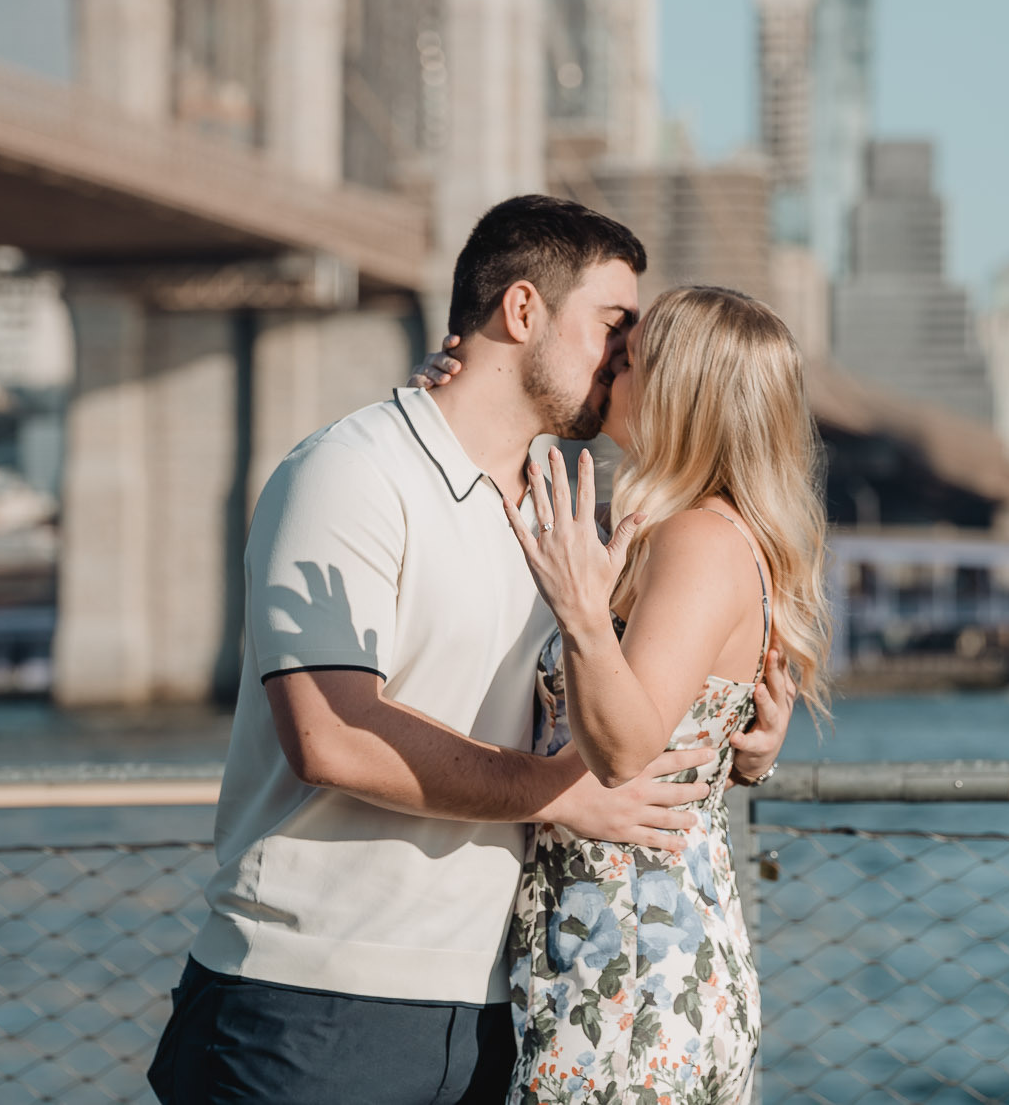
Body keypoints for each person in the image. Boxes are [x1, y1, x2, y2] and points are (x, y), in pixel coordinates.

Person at [148, 196, 790, 1105]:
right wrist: (565, 794)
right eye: (614, 325)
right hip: (316, 1001)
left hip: (502, 1005)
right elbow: (334, 735)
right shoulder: (353, 471)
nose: (625, 356)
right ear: (523, 311)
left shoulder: (561, 507)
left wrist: (744, 742)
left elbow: (653, 684)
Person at [418, 285, 831, 1104]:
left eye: (631, 360)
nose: (608, 367)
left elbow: (625, 747)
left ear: (683, 396)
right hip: (626, 953)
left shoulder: (700, 540)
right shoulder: (677, 531)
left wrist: (581, 613)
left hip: (633, 969)